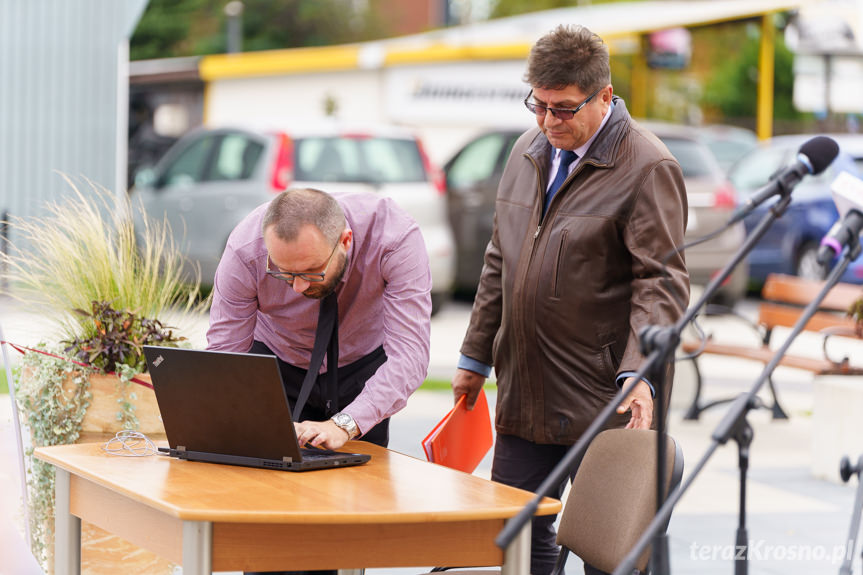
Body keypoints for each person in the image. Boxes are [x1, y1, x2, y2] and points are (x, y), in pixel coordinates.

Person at [451, 25, 689, 575]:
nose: (547, 121)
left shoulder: (648, 165)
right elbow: (499, 258)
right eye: (538, 104)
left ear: (604, 95)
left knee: (613, 555)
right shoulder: (527, 149)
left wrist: (640, 375)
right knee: (514, 536)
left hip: (605, 399)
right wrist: (474, 355)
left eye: (563, 108)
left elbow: (662, 281)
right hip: (527, 389)